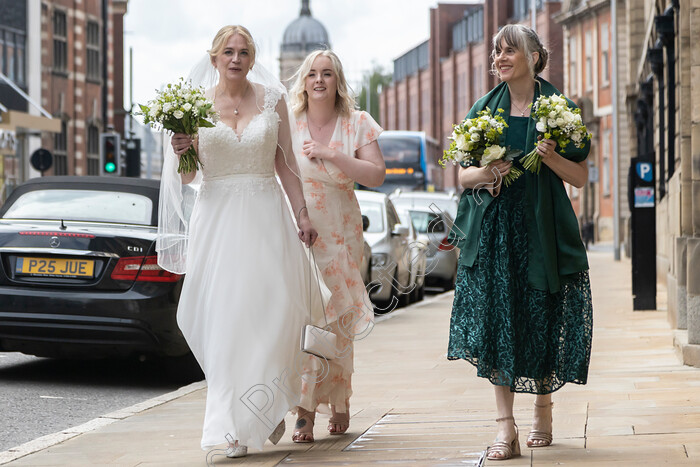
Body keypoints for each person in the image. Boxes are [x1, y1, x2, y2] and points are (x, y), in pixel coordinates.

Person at [159, 25, 324, 459]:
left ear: (253, 58)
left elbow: (287, 167)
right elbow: (189, 178)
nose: (236, 58)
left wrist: (302, 215)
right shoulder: (193, 108)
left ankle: (264, 405)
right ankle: (231, 427)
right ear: (214, 57)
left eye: (244, 52)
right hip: (218, 224)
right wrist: (181, 151)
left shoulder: (274, 101)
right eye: (228, 52)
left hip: (267, 220)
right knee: (226, 323)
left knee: (272, 316)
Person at [446, 24, 593, 461]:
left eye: (510, 50)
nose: (501, 57)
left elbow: (581, 178)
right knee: (499, 322)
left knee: (542, 316)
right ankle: (504, 427)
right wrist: (488, 173)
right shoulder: (484, 110)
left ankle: (543, 409)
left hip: (542, 229)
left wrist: (552, 157)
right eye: (496, 51)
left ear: (534, 56)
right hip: (496, 234)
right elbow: (462, 176)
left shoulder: (559, 108)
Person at [288, 49, 386, 443]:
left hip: (342, 232)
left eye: (327, 74)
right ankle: (305, 407)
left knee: (337, 320)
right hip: (301, 231)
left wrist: (332, 154)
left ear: (337, 80)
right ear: (304, 80)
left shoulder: (357, 122)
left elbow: (376, 175)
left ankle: (337, 399)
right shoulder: (290, 122)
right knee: (307, 320)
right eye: (312, 74)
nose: (319, 80)